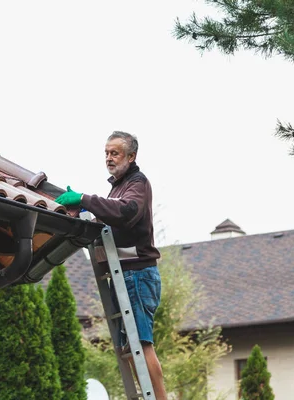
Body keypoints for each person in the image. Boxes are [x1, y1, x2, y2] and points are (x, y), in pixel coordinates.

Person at [55, 131, 167, 400]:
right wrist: (83, 215)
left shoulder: (137, 183)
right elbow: (110, 221)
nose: (109, 158)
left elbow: (125, 212)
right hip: (124, 274)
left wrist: (84, 199)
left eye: (115, 153)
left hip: (138, 274)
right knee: (129, 346)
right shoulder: (117, 187)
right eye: (106, 153)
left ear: (131, 156)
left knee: (141, 344)